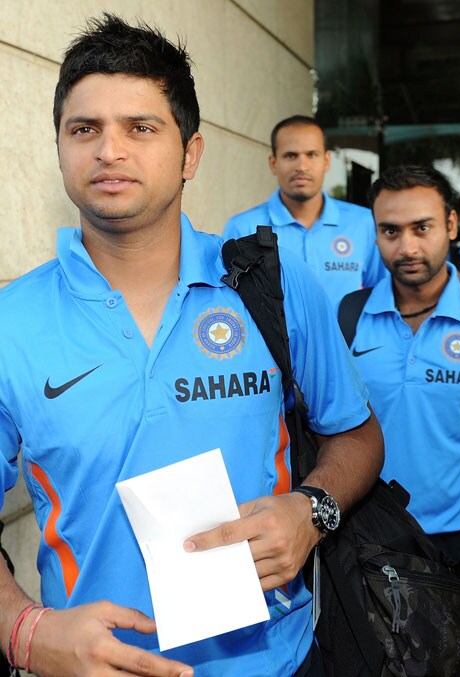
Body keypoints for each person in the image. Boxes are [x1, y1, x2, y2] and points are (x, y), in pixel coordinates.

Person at [0, 14, 384, 677]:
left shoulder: (277, 284)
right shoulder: (12, 321)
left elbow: (357, 434)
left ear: (191, 153)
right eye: (84, 128)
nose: (109, 150)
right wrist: (22, 628)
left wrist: (311, 509)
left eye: (140, 128)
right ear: (59, 146)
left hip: (279, 662)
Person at [339, 165, 460, 670]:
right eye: (390, 231)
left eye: (422, 228)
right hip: (374, 540)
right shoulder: (348, 315)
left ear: (451, 226)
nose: (406, 246)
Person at [223, 115, 386, 305]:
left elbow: (380, 295)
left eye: (311, 154)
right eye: (291, 156)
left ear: (326, 161)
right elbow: (232, 302)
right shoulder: (243, 228)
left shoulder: (364, 223)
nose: (301, 166)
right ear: (273, 163)